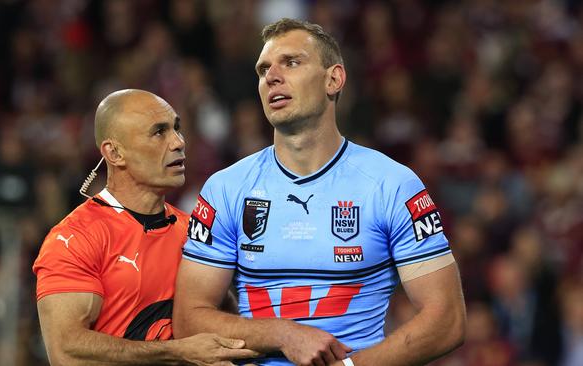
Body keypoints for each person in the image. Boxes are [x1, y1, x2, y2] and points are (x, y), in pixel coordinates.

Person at [174, 19, 466, 366]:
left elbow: (447, 320)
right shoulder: (225, 189)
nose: (272, 76)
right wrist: (283, 335)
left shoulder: (392, 185)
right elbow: (188, 320)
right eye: (263, 69)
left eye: (292, 62)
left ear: (334, 79)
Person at [33, 89, 259, 365]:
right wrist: (178, 353)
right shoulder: (74, 238)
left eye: (177, 128)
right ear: (114, 153)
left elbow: (225, 323)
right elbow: (66, 352)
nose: (178, 142)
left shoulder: (194, 232)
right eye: (159, 132)